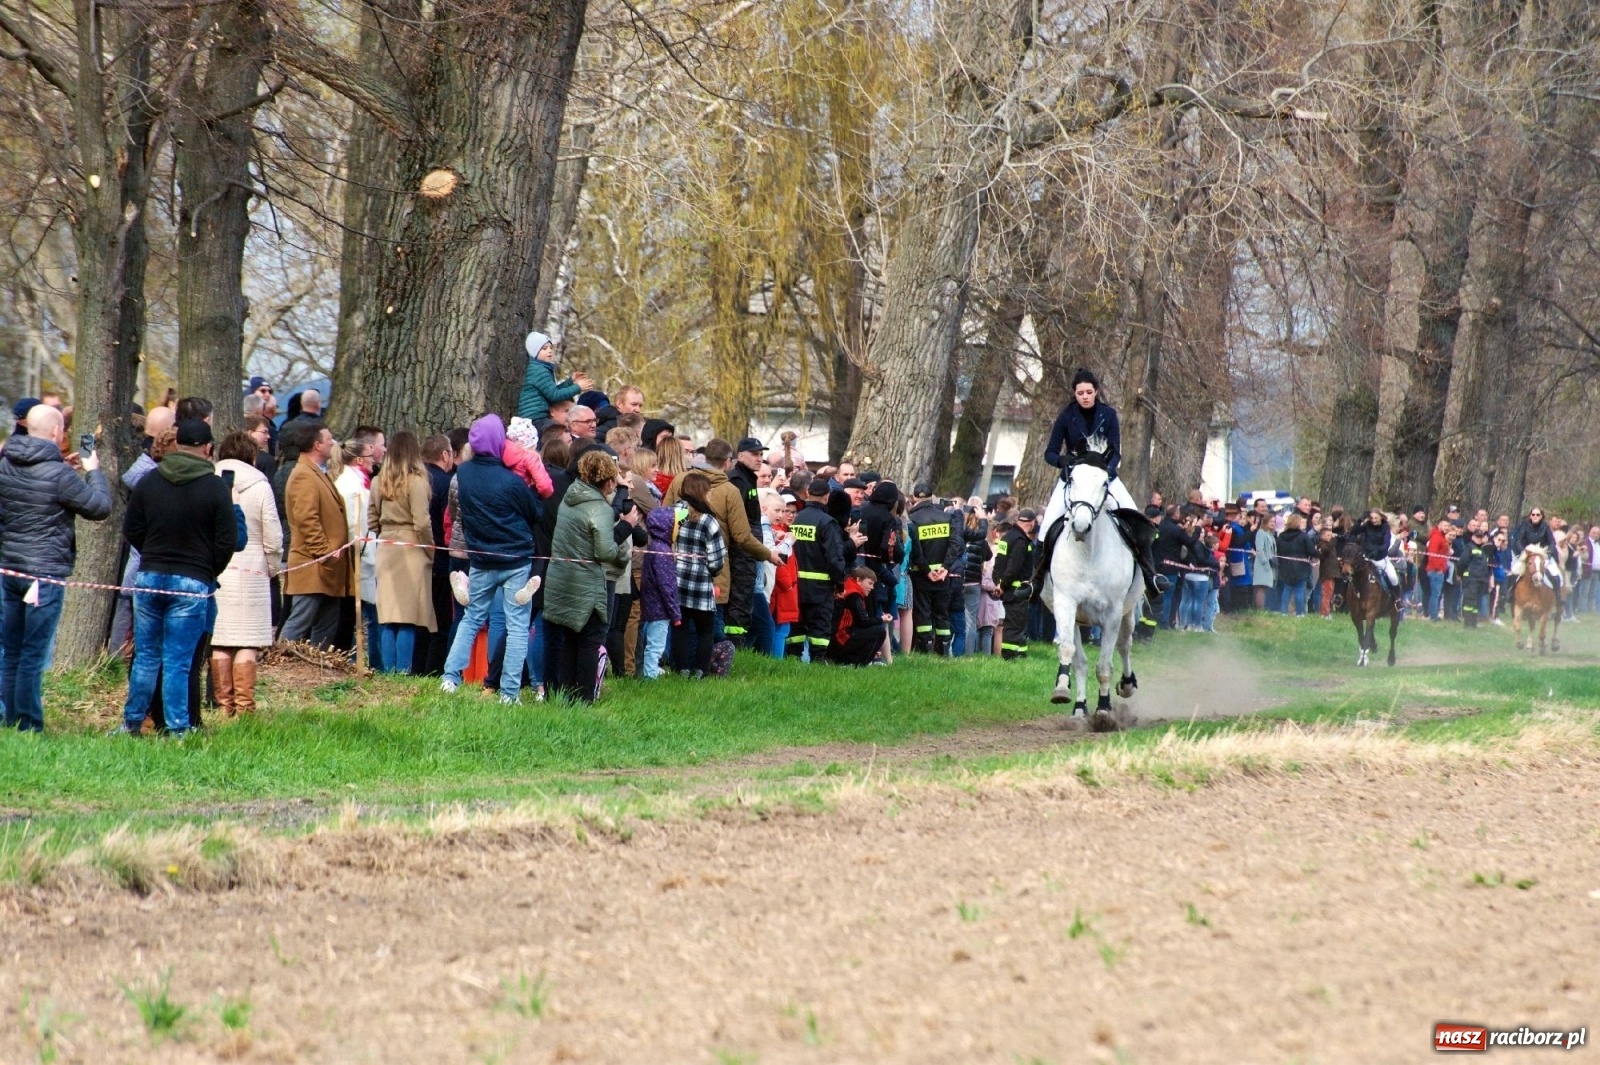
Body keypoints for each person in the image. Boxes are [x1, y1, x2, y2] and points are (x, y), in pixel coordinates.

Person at [117, 419, 236, 736]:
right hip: (192, 582)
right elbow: (227, 540)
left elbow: (132, 530)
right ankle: (178, 727)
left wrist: (153, 555)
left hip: (149, 577)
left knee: (145, 657)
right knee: (178, 661)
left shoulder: (150, 482)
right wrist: (207, 569)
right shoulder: (215, 487)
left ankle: (131, 724)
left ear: (178, 444)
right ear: (208, 448)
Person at [0, 404, 112, 731]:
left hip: (9, 570)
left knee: (11, 650)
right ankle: (29, 724)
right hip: (43, 573)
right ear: (55, 433)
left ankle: (9, 719)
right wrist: (93, 470)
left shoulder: (6, 464)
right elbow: (99, 507)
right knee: (33, 653)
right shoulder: (61, 475)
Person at [1036, 368, 1164, 598]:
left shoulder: (1109, 414)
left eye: (1088, 392)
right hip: (1073, 479)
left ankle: (1151, 576)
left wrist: (1107, 469)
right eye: (1080, 393)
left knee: (1136, 517)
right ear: (1074, 394)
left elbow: (1116, 451)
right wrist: (1062, 460)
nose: (1084, 396)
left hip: (1104, 477)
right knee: (1045, 526)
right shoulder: (1066, 416)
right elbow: (1050, 453)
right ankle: (1035, 582)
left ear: (1096, 392)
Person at [441, 415, 543, 702]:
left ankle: (450, 678)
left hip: (481, 556)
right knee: (517, 626)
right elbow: (535, 513)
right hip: (516, 558)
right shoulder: (511, 481)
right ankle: (509, 693)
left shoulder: (463, 474)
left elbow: (455, 509)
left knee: (471, 618)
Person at [543, 449, 636, 700]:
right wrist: (627, 530)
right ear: (608, 481)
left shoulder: (569, 497)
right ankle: (584, 697)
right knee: (588, 641)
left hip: (560, 579)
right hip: (585, 584)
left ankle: (566, 694)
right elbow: (605, 551)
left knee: (569, 638)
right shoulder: (600, 508)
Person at [662, 438, 773, 640]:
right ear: (728, 462)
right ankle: (710, 666)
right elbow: (742, 535)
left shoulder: (680, 480)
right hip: (715, 567)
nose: (759, 458)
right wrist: (768, 554)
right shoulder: (729, 490)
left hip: (678, 561)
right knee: (711, 625)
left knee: (680, 621)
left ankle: (678, 665)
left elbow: (664, 516)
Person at [211, 430, 282, 715]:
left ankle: (224, 706)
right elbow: (273, 536)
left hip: (218, 565)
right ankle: (245, 707)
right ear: (251, 455)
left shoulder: (209, 481)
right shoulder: (260, 485)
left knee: (221, 639)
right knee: (247, 640)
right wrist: (273, 567)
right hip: (252, 568)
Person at [279, 422, 354, 649]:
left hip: (327, 566)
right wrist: (325, 552)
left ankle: (317, 669)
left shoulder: (316, 472)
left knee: (326, 624)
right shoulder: (303, 475)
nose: (333, 443)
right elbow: (306, 519)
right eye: (329, 439)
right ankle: (280, 663)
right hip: (314, 564)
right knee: (300, 620)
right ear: (316, 444)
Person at [369, 431, 437, 674]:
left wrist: (384, 534)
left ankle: (388, 672)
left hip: (386, 547)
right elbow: (422, 522)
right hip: (411, 547)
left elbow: (371, 518)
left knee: (388, 615)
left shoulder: (378, 481)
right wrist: (430, 549)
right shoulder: (417, 481)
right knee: (407, 617)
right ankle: (403, 672)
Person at [670, 471, 728, 677]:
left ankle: (682, 668)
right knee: (705, 630)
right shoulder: (708, 521)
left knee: (680, 627)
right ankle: (700, 670)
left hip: (675, 578)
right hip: (701, 582)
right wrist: (713, 571)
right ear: (702, 492)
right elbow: (717, 556)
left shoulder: (673, 513)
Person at [786, 478, 846, 659]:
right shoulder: (828, 523)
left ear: (807, 493)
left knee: (796, 626)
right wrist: (840, 583)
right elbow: (834, 559)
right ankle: (817, 662)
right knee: (819, 628)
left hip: (795, 585)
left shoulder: (796, 519)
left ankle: (792, 660)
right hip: (820, 587)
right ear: (827, 497)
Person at [904, 483, 963, 654]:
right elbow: (955, 544)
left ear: (915, 498)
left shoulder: (913, 519)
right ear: (932, 497)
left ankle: (925, 649)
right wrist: (945, 567)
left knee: (923, 614)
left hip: (921, 574)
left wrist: (926, 570)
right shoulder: (945, 517)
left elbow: (916, 550)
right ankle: (943, 650)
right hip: (943, 575)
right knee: (942, 614)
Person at [723, 437, 768, 647]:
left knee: (744, 599)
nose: (760, 459)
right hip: (741, 551)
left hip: (747, 550)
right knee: (739, 600)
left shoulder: (748, 478)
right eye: (755, 454)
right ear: (741, 456)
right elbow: (738, 520)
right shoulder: (738, 480)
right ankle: (734, 646)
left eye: (761, 455)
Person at [638, 506, 681, 679]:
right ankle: (650, 674)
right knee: (656, 645)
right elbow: (667, 585)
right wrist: (675, 612)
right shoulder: (662, 552)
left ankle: (650, 670)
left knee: (650, 641)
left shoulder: (655, 546)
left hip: (650, 605)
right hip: (660, 608)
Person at [518, 331, 593, 421]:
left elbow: (552, 391)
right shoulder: (539, 371)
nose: (549, 351)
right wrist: (578, 387)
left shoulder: (542, 368)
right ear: (535, 352)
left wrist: (570, 381)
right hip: (535, 417)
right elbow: (554, 395)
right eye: (544, 348)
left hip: (539, 416)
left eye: (551, 348)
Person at [992, 512, 1035, 659]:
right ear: (1032, 523)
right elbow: (1013, 567)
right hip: (1016, 590)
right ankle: (1009, 657)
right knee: (1014, 625)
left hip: (1006, 588)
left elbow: (998, 563)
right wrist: (1003, 585)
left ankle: (1021, 654)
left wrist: (998, 583)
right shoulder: (1020, 541)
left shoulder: (1007, 537)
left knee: (1018, 623)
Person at [827, 567, 888, 666]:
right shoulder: (854, 596)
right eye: (870, 583)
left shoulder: (847, 590)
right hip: (841, 639)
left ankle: (851, 660)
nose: (872, 587)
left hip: (836, 640)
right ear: (859, 580)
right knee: (879, 631)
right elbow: (863, 622)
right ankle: (860, 663)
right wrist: (881, 619)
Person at [1509, 506, 1561, 586]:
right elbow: (1518, 540)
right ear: (1530, 516)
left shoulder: (1545, 527)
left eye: (1537, 515)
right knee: (1514, 573)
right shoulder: (1524, 525)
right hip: (1527, 554)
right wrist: (1523, 551)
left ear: (1541, 516)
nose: (1535, 516)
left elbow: (1552, 542)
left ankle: (1557, 596)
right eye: (1533, 514)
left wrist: (1549, 553)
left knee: (1555, 575)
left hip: (1543, 554)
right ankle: (1508, 595)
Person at [1276, 512, 1314, 617]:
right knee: (1299, 589)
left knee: (1287, 589)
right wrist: (1318, 553)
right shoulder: (1303, 536)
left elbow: (1278, 551)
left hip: (1285, 566)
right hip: (1301, 567)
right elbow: (1311, 551)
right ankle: (1300, 613)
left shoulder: (1281, 537)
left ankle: (1283, 611)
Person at [1354, 509, 1398, 592]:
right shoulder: (1367, 526)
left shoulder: (1386, 528)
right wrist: (1359, 520)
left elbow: (1386, 544)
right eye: (1371, 518)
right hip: (1366, 558)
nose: (1373, 520)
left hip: (1380, 559)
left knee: (1393, 577)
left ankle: (1397, 599)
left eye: (1376, 518)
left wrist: (1377, 551)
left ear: (1381, 517)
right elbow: (1353, 532)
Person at [1459, 527, 1494, 628]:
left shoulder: (1482, 550)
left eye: (1480, 537)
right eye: (1477, 537)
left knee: (1476, 604)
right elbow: (1462, 563)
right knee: (1470, 602)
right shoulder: (1469, 548)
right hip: (1471, 579)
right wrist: (1462, 575)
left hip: (1481, 580)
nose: (1479, 539)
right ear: (1473, 537)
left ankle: (1473, 623)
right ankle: (1468, 623)